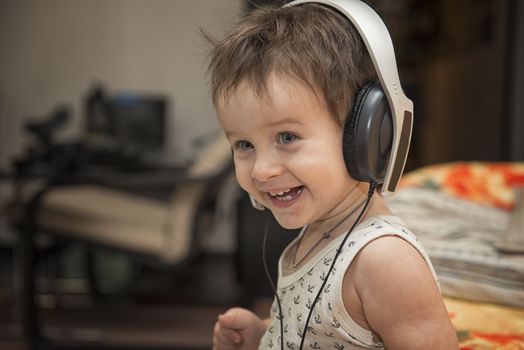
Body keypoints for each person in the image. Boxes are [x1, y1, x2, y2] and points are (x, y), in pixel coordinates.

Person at [206, 2, 459, 349]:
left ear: (366, 135)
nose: (262, 170)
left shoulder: (384, 261)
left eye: (287, 138)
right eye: (245, 144)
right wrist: (263, 333)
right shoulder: (318, 231)